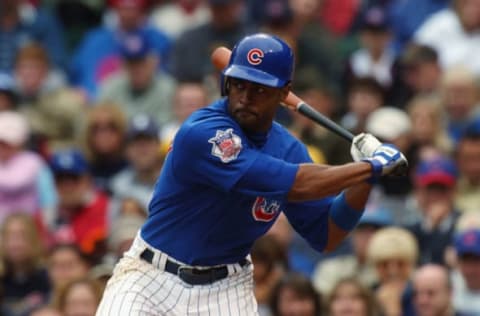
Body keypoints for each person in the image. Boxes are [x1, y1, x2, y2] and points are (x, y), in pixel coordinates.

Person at [96, 33, 407, 315]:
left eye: (259, 89)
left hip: (225, 289)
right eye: (239, 84)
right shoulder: (203, 131)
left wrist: (364, 180)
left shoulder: (288, 149)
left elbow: (326, 233)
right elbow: (297, 184)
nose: (245, 97)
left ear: (283, 93)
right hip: (151, 279)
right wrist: (370, 165)